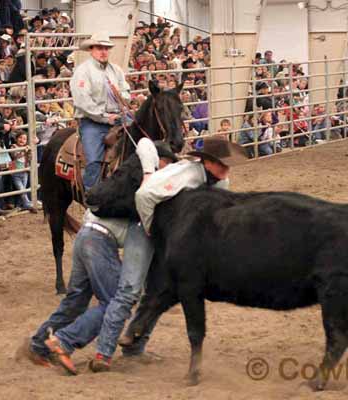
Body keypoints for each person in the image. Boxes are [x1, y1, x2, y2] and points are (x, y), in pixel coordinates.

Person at [23, 140, 173, 375]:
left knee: (76, 300)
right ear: (158, 162)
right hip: (98, 241)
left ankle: (38, 345)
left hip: (87, 233)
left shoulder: (129, 181)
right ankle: (63, 341)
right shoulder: (148, 188)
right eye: (166, 165)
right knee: (114, 301)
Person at [114, 137, 249, 358]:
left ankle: (133, 342)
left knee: (160, 285)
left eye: (227, 163)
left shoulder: (221, 182)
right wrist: (152, 229)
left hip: (176, 237)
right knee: (133, 286)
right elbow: (144, 195)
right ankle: (113, 345)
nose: (226, 167)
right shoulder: (186, 175)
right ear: (206, 162)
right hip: (149, 227)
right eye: (221, 162)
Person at [70, 32, 131, 190]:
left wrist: (122, 102)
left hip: (118, 117)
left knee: (143, 139)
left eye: (106, 48)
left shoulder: (116, 70)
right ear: (91, 49)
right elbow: (83, 101)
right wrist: (105, 117)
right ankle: (92, 195)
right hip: (92, 122)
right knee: (94, 160)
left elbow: (126, 91)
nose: (103, 51)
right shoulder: (83, 71)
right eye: (99, 48)